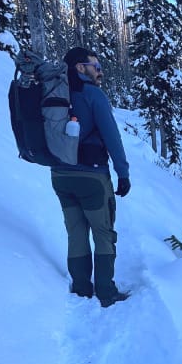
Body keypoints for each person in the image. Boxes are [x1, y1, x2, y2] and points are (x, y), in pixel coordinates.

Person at [53, 47, 131, 308]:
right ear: (79, 67)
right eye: (95, 66)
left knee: (75, 232)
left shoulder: (57, 93)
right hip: (92, 176)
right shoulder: (92, 94)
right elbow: (111, 136)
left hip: (60, 174)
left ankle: (81, 288)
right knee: (103, 232)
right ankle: (106, 292)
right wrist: (123, 173)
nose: (100, 71)